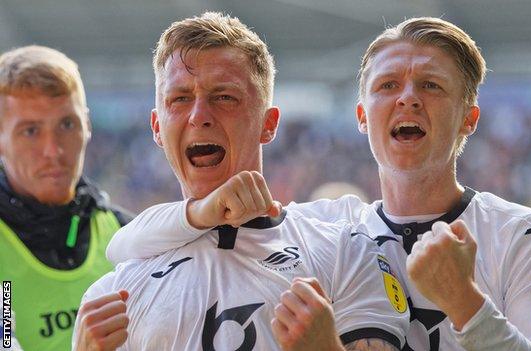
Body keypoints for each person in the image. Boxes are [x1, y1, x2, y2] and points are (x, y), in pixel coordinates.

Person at [105, 17, 531, 351]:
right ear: (362, 116)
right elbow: (126, 244)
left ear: (470, 118)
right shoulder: (335, 229)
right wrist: (197, 213)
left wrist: (466, 304)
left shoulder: (523, 235)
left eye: (432, 87)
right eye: (387, 86)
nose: (408, 101)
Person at [73, 12, 408, 351]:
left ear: (269, 123)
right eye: (181, 99)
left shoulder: (344, 251)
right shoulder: (113, 296)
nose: (199, 116)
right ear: (157, 127)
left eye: (224, 97)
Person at [0, 46, 133, 351]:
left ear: (87, 125)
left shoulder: (128, 238)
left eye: (66, 124)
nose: (53, 150)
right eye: (30, 130)